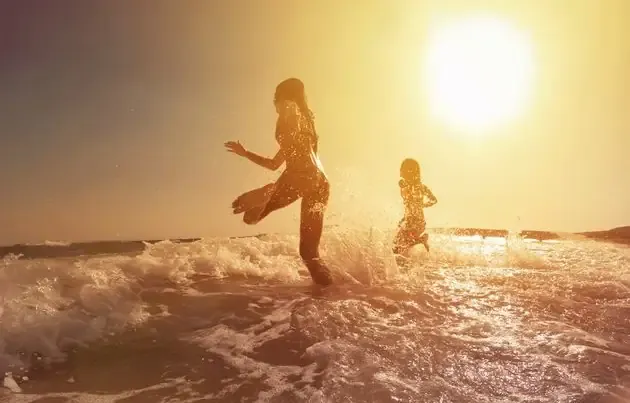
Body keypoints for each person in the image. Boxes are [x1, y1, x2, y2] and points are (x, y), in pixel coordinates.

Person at [224, 78, 333, 286]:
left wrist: (276, 188)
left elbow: (291, 138)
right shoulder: (307, 122)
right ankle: (328, 294)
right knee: (309, 253)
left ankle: (267, 191)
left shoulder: (289, 109)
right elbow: (275, 164)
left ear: (281, 96)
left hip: (301, 176)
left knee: (251, 217)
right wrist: (246, 154)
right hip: (319, 182)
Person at [393, 158, 437, 267]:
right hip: (411, 221)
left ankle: (420, 241)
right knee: (398, 245)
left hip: (416, 222)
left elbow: (434, 200)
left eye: (402, 168)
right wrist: (404, 217)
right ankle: (419, 242)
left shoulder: (419, 187)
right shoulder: (407, 186)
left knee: (397, 247)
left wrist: (422, 205)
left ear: (409, 170)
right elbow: (409, 205)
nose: (400, 170)